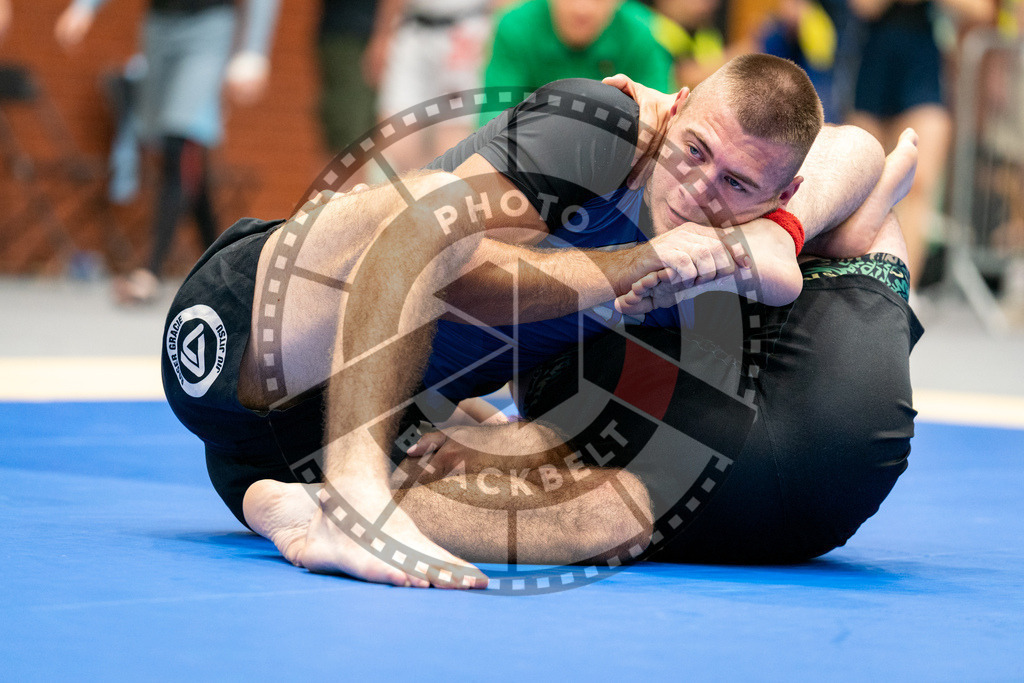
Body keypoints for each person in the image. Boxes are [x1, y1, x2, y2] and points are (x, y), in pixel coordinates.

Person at [162, 54, 892, 587]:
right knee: (432, 206)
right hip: (246, 327)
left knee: (599, 505)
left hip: (287, 442)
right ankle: (356, 498)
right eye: (695, 150)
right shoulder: (603, 126)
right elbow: (448, 270)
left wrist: (784, 233)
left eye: (736, 183)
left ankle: (289, 504)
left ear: (779, 189)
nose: (699, 189)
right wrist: (632, 266)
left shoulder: (735, 230)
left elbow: (874, 155)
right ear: (678, 104)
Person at [55, 0, 280, 303]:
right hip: (158, 25)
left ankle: (151, 271)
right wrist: (85, 7)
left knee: (180, 140)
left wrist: (253, 49)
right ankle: (225, 264)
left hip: (210, 25)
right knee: (178, 150)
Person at [847, 0, 995, 287]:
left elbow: (981, 10)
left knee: (918, 183)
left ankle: (904, 288)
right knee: (863, 184)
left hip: (922, 62)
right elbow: (863, 7)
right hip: (874, 60)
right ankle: (859, 284)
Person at [479, 0, 678, 126]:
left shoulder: (643, 33)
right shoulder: (514, 27)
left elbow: (660, 119)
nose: (582, 8)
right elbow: (493, 120)